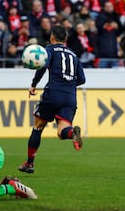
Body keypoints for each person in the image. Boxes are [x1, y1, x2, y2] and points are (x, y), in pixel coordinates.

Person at [18, 25, 86, 174]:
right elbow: (82, 79)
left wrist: (34, 84)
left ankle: (29, 163)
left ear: (52, 38)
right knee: (62, 131)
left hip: (53, 93)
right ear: (66, 39)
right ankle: (72, 134)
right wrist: (68, 83)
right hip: (70, 97)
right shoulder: (73, 55)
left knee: (38, 126)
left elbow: (42, 66)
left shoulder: (49, 49)